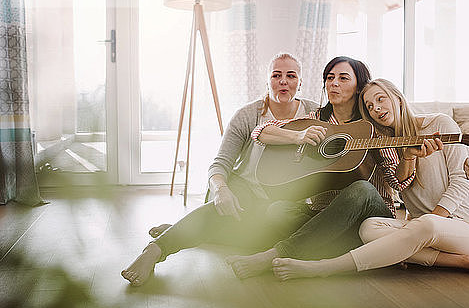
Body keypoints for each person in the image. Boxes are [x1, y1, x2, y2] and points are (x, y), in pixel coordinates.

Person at [269, 79, 469, 282]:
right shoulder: (386, 144)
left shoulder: (439, 124)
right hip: (418, 229)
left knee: (427, 225)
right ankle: (465, 263)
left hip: (463, 228)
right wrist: (407, 157)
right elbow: (401, 186)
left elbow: (463, 182)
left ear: (397, 96)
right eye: (370, 106)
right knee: (369, 227)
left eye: (380, 99)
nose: (376, 108)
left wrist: (431, 218)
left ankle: (326, 267)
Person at [226, 58, 442, 279]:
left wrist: (407, 158)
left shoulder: (371, 126)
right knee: (277, 210)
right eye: (329, 78)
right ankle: (332, 249)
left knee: (362, 189)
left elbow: (399, 183)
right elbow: (261, 132)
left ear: (358, 87)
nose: (333, 84)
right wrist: (298, 135)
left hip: (368, 217)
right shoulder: (317, 119)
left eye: (343, 78)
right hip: (324, 214)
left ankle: (275, 254)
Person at [121, 52, 320, 286]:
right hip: (244, 189)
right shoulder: (248, 115)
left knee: (263, 235)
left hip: (281, 201)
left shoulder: (314, 114)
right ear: (268, 81)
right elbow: (220, 163)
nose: (283, 81)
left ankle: (187, 229)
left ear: (300, 82)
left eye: (291, 75)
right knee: (228, 214)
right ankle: (155, 250)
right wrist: (221, 189)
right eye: (276, 75)